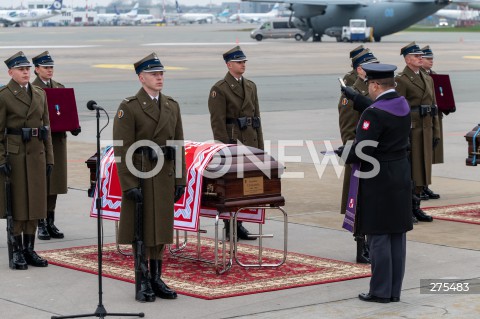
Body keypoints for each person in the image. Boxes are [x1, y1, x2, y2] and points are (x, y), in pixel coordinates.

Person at [113, 52, 186, 302]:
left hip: (164, 175)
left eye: (162, 73)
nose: (160, 77)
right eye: (154, 74)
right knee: (141, 231)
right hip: (141, 175)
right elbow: (122, 150)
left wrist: (180, 179)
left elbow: (178, 144)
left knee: (161, 230)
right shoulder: (129, 107)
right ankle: (142, 280)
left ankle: (157, 278)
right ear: (141, 77)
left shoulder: (171, 105)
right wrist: (129, 184)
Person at [341, 63, 413, 303]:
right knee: (396, 235)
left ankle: (379, 291)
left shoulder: (373, 114)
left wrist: (342, 152)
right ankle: (393, 291)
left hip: (378, 179)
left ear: (374, 85)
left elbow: (362, 150)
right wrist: (356, 99)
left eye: (368, 87)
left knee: (378, 236)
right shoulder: (402, 105)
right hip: (400, 174)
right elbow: (383, 112)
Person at [0, 51, 53, 269]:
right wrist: (1, 158)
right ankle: (16, 252)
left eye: (27, 69)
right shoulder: (4, 95)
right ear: (11, 72)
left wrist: (49, 158)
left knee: (35, 205)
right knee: (19, 205)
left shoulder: (40, 94)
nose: (25, 72)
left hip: (36, 154)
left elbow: (46, 128)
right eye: (21, 69)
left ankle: (30, 250)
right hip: (16, 155)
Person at [208, 45, 263, 241]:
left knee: (246, 186)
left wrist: (260, 149)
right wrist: (224, 149)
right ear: (229, 65)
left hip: (250, 141)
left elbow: (257, 119)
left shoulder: (250, 86)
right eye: (239, 62)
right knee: (231, 187)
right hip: (233, 142)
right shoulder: (219, 89)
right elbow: (217, 123)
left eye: (244, 62)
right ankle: (230, 225)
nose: (243, 65)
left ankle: (240, 224)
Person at [32, 51, 81, 241]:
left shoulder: (59, 87)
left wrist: (73, 126)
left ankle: (50, 221)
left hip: (57, 142)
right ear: (36, 69)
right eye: (46, 67)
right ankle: (41, 223)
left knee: (55, 182)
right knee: (41, 184)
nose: (49, 70)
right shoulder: (32, 89)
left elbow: (65, 112)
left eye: (51, 67)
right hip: (41, 142)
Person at [338, 48, 378, 264]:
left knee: (372, 202)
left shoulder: (375, 90)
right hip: (361, 157)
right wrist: (357, 153)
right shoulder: (351, 94)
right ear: (361, 69)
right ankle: (360, 245)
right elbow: (347, 130)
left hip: (377, 155)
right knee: (359, 202)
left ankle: (371, 243)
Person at [395, 42, 439, 222]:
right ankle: (407, 208)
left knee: (422, 170)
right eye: (416, 56)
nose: (421, 58)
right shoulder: (401, 79)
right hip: (411, 130)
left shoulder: (427, 78)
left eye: (421, 56)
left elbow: (433, 106)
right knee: (411, 170)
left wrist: (436, 131)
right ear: (407, 59)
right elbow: (398, 109)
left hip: (426, 128)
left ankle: (417, 206)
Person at [420, 45, 442, 200]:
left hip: (435, 118)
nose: (431, 61)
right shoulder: (421, 76)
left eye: (432, 58)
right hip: (422, 120)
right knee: (421, 156)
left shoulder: (433, 76)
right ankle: (420, 187)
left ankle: (425, 185)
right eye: (428, 59)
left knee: (430, 155)